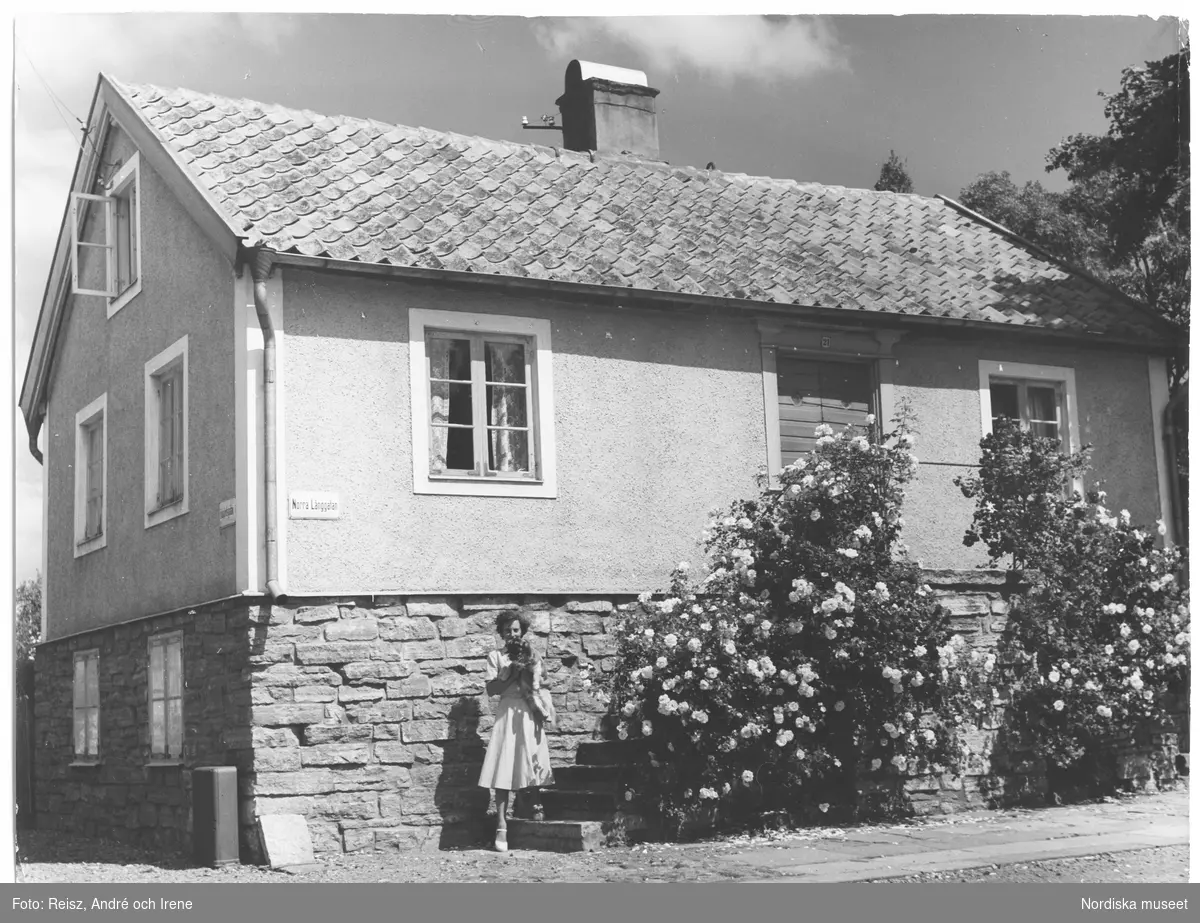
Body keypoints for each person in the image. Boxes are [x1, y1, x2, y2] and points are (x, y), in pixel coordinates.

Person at [478, 611, 555, 852]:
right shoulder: (496, 656)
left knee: (531, 759)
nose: (512, 634)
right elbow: (492, 690)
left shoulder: (532, 653)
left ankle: (535, 807)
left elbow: (544, 682)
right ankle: (501, 824)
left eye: (516, 630)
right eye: (508, 630)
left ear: (522, 632)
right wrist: (510, 672)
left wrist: (532, 670)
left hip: (529, 710)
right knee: (504, 763)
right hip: (508, 710)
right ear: (501, 632)